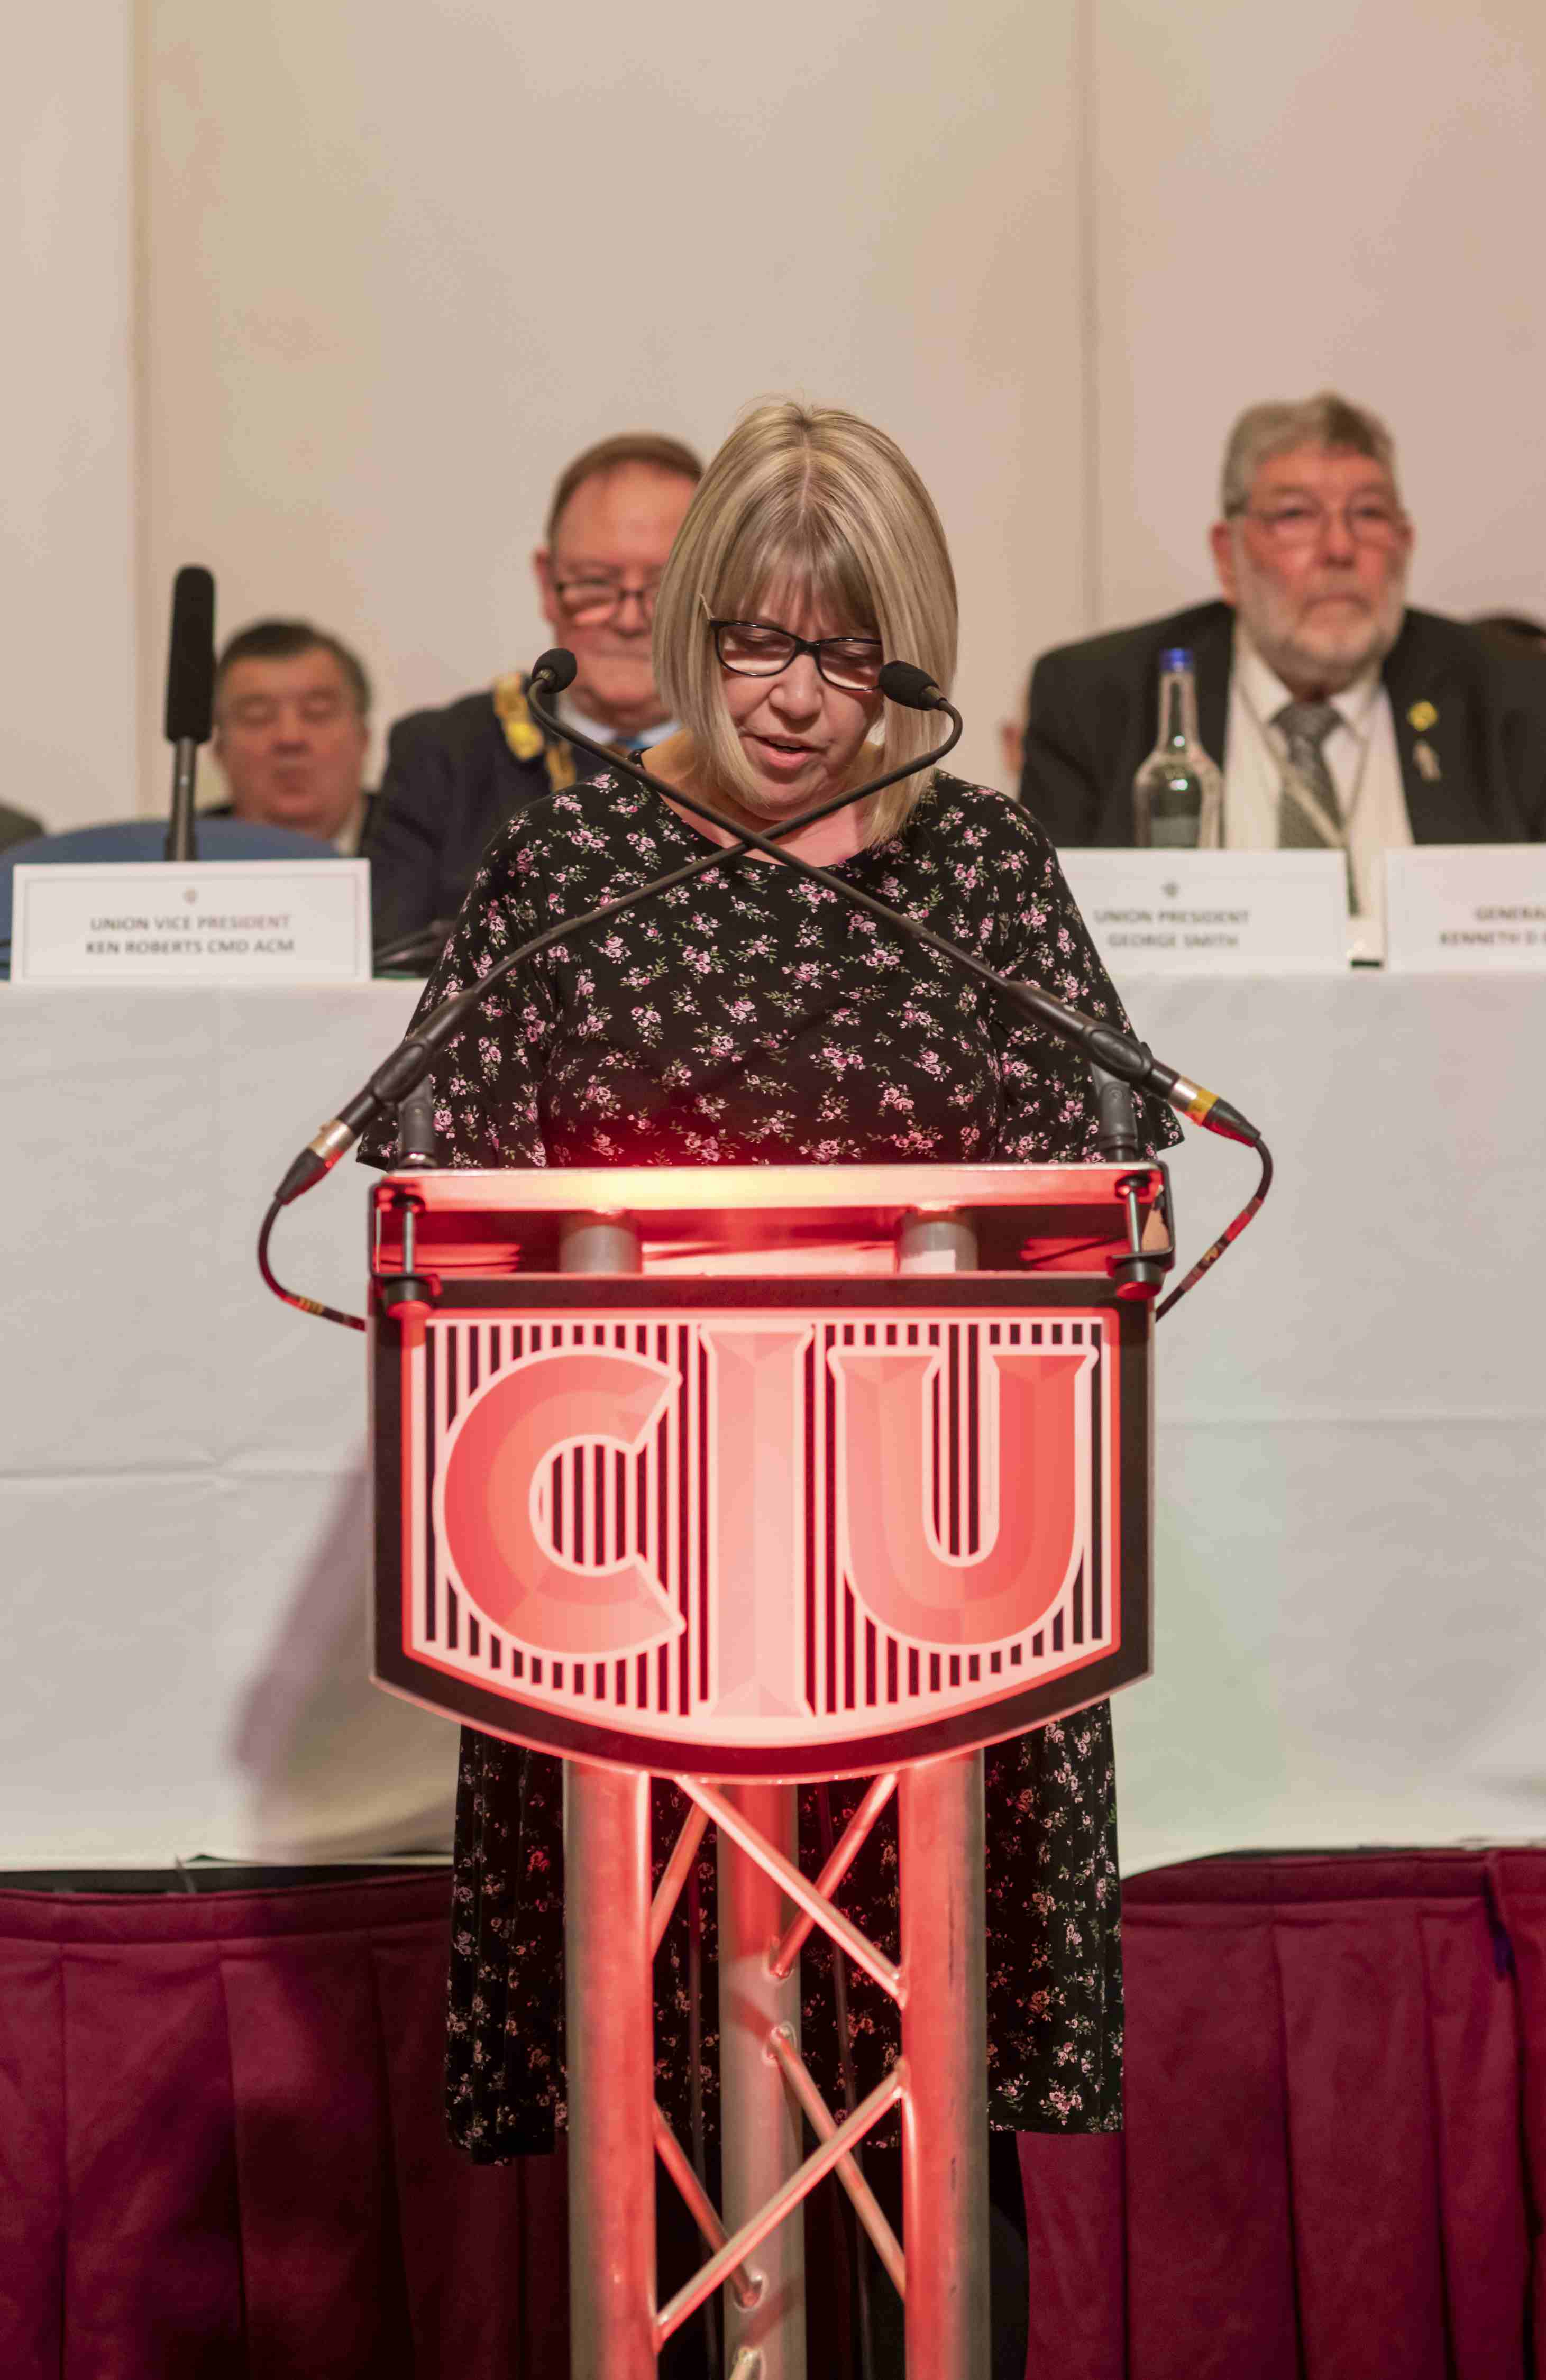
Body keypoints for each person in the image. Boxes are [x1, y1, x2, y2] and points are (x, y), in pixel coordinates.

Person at [363, 398, 1177, 2374]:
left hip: (931, 1601)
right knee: (662, 2097)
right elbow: (442, 1188)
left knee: (926, 2119)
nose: (797, 698)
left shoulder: (983, 873)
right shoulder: (576, 863)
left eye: (848, 653)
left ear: (918, 654)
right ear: (693, 625)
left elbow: (1096, 1199)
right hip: (634, 1608)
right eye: (754, 643)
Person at [1020, 392, 1546, 929]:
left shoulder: (1532, 702)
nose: (1340, 549)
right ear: (1228, 554)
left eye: (1369, 514)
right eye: (1296, 515)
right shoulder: (1095, 698)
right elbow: (1044, 954)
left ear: (1405, 545)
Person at [367, 430, 702, 956]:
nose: (629, 621)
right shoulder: (444, 756)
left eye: (666, 588)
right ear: (548, 585)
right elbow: (388, 970)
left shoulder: (770, 758)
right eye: (596, 583)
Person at [208, 619, 377, 850]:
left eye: (317, 712)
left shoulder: (421, 849)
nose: (290, 738)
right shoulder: (178, 857)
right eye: (258, 716)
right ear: (220, 749)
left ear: (363, 737)